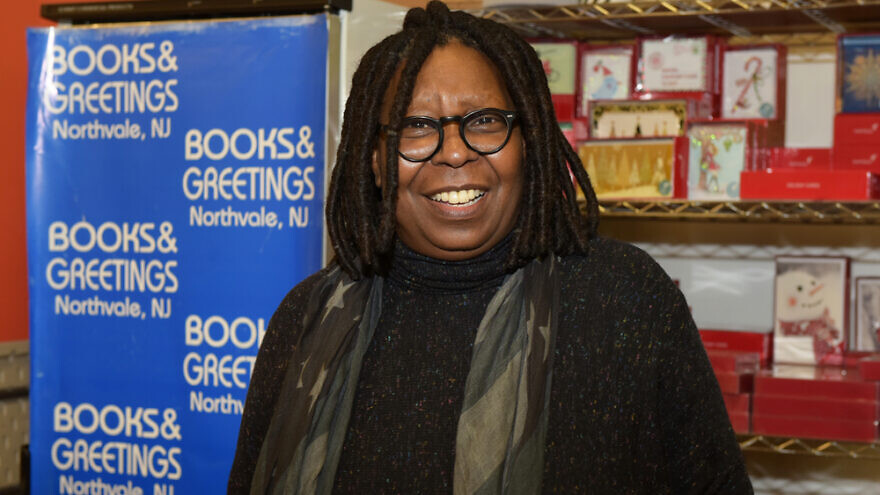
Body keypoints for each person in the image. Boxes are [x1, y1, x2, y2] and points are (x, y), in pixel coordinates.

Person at [228, 2, 753, 493]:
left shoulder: (624, 302)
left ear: (529, 140)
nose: (454, 152)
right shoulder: (305, 320)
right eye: (416, 127)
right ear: (373, 156)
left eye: (484, 122)